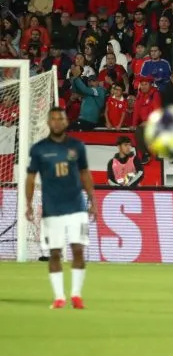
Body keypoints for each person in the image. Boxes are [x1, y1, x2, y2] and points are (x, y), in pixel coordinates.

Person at [25, 107, 96, 309]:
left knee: (78, 249)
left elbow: (85, 173)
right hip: (52, 209)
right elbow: (30, 178)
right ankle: (59, 297)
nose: (57, 122)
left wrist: (93, 200)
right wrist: (28, 204)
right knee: (54, 253)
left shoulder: (77, 146)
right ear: (49, 122)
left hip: (77, 207)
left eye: (61, 118)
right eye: (53, 119)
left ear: (66, 122)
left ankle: (76, 295)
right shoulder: (39, 149)